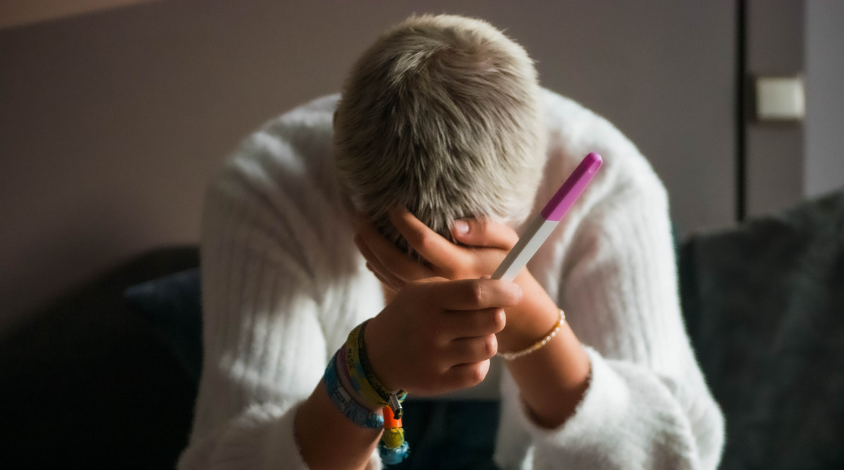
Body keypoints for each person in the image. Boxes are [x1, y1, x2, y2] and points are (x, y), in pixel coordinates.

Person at [178, 14, 724, 470]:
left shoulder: (612, 187)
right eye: (395, 245)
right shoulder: (266, 187)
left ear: (544, 168)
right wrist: (366, 372)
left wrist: (535, 328)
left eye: (482, 248)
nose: (438, 277)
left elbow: (678, 457)